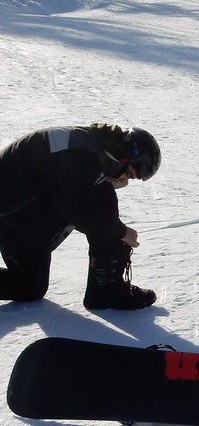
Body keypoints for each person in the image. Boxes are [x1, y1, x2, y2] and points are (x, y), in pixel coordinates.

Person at [0, 124, 160, 310]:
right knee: (28, 286)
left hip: (27, 204)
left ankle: (106, 290)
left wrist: (115, 230)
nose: (124, 180)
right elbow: (78, 208)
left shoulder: (95, 147)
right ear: (122, 158)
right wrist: (121, 232)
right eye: (128, 174)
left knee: (102, 193)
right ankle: (105, 290)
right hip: (11, 212)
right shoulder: (79, 155)